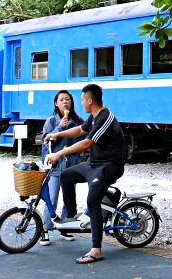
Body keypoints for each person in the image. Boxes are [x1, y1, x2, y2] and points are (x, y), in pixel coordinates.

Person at [46, 83, 125, 264]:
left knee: (92, 201)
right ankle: (72, 218)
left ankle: (96, 249)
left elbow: (87, 143)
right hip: (93, 164)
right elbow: (81, 130)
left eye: (81, 100)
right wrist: (57, 135)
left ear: (90, 100)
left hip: (108, 167)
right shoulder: (93, 117)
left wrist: (59, 153)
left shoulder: (105, 118)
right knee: (66, 176)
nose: (80, 103)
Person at [38, 89, 84, 246]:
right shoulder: (51, 121)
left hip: (72, 166)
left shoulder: (78, 121)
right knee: (51, 199)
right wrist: (59, 128)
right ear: (56, 103)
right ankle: (45, 230)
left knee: (68, 199)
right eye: (62, 100)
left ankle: (65, 228)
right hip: (55, 167)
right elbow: (46, 143)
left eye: (68, 99)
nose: (65, 102)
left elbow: (85, 140)